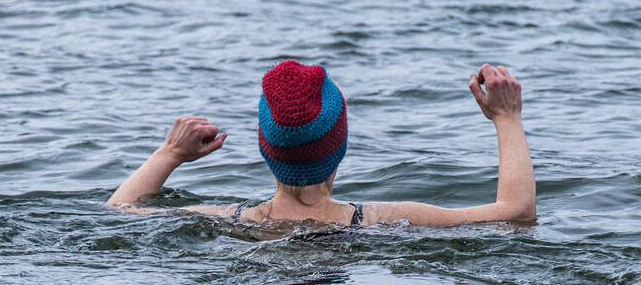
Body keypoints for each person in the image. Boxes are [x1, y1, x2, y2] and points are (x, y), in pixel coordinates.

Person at [107, 60, 536, 226]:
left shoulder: (226, 219)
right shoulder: (385, 219)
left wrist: (169, 155)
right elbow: (516, 214)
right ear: (340, 146)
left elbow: (119, 212)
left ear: (265, 148)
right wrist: (507, 118)